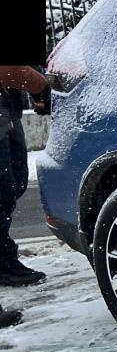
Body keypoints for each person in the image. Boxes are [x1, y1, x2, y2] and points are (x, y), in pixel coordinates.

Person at [0, 65, 50, 303]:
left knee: (13, 184)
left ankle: (5, 259)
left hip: (7, 110)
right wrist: (40, 85)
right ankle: (3, 262)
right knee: (3, 190)